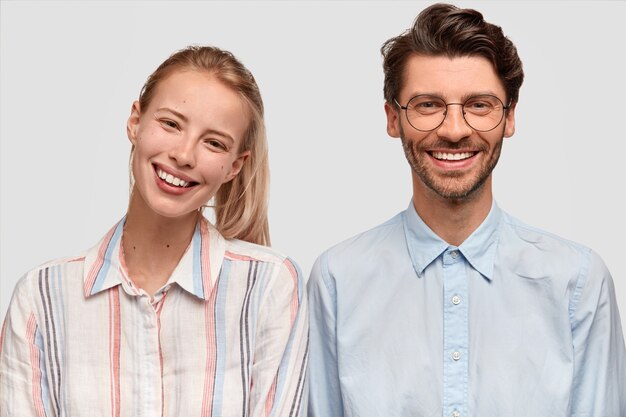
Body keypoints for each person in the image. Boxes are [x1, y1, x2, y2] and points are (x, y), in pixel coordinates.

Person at [307, 3, 626, 417]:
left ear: (509, 117)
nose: (454, 130)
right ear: (392, 118)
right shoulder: (337, 281)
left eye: (479, 105)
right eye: (427, 105)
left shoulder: (577, 284)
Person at [0, 46, 308, 416]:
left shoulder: (270, 287)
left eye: (214, 143)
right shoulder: (42, 297)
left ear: (234, 166)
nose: (184, 155)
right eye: (171, 124)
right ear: (135, 122)